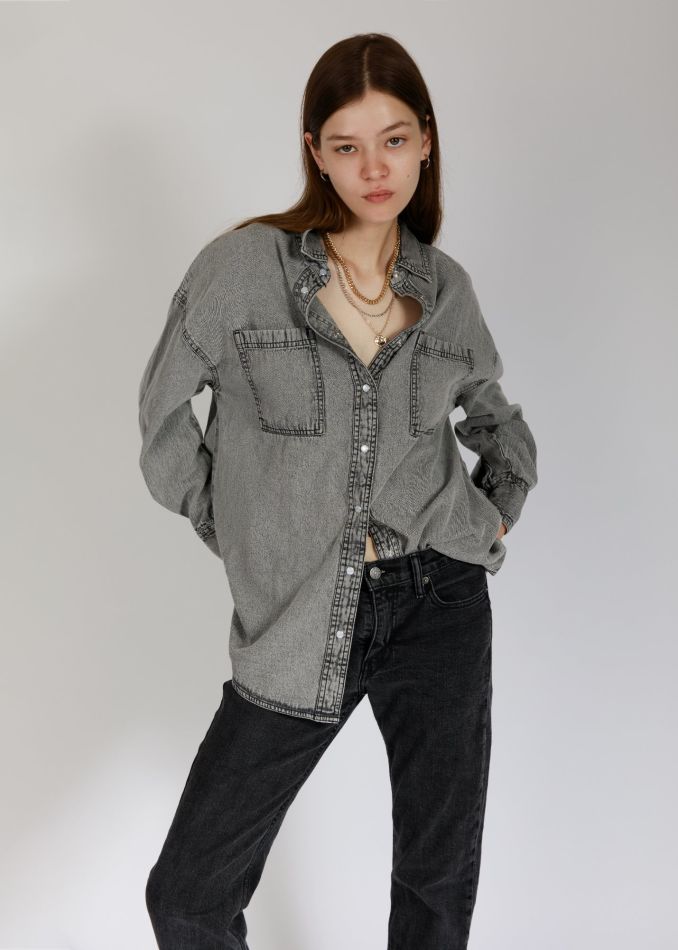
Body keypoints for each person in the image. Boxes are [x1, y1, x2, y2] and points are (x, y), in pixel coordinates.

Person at [138, 32, 538, 950]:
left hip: (440, 601)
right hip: (301, 610)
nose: (374, 168)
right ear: (314, 151)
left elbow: (495, 421)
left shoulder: (446, 291)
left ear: (426, 141)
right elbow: (162, 421)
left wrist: (491, 515)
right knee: (189, 897)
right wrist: (241, 527)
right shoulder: (242, 271)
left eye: (394, 140)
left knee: (436, 891)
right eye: (348, 145)